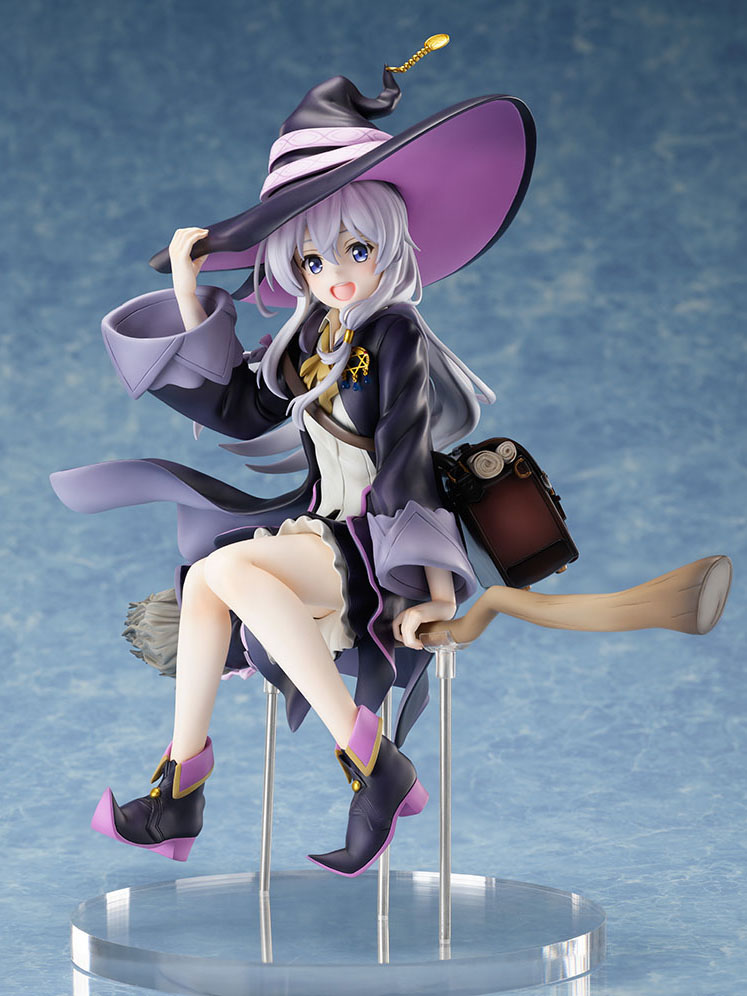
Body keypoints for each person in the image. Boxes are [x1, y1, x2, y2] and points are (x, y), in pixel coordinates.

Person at [51, 66, 536, 875]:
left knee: (222, 570)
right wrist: (189, 290)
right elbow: (240, 409)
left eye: (355, 250)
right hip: (317, 532)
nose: (335, 272)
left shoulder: (394, 335)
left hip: (372, 554)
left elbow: (406, 460)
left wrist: (435, 589)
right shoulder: (311, 338)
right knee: (209, 583)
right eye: (312, 260)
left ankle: (356, 767)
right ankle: (189, 786)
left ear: (388, 246)